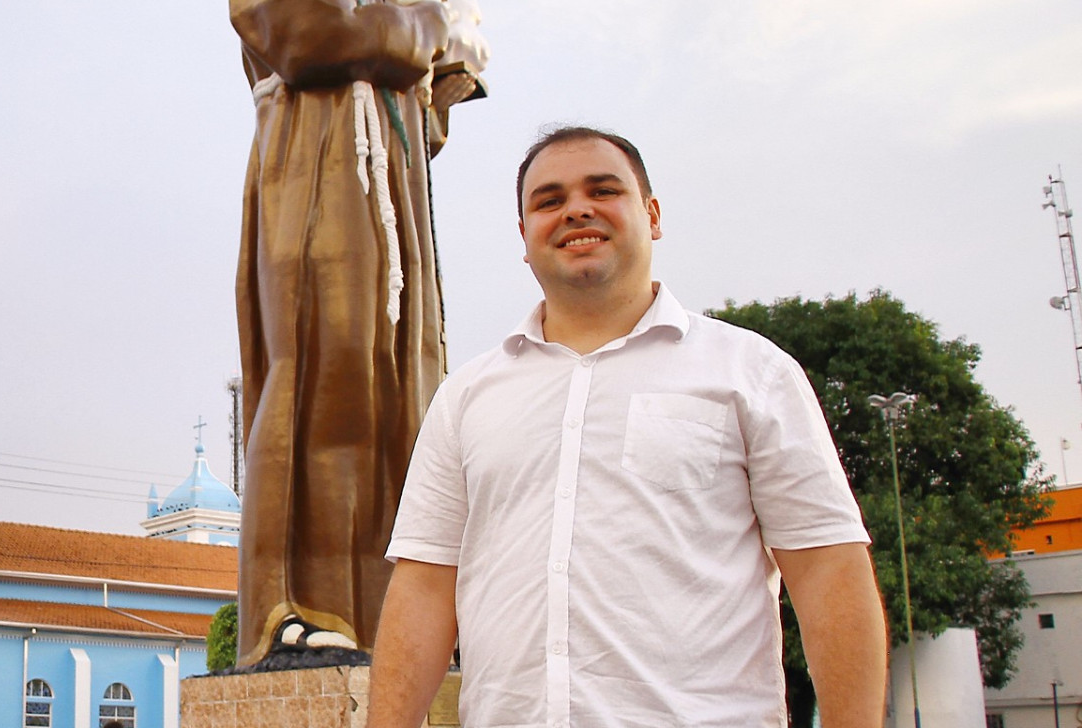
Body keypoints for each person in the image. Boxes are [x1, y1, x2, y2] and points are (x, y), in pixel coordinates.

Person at [368, 127, 889, 727]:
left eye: (603, 190)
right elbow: (424, 588)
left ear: (652, 214)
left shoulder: (752, 374)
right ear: (524, 236)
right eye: (548, 200)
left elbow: (828, 569)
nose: (576, 210)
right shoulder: (466, 397)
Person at [228, 0, 487, 665]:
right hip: (312, 159)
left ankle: (394, 617)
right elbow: (311, 34)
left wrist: (428, 61)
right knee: (319, 376)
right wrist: (425, 25)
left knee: (403, 390)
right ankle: (290, 608)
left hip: (392, 188)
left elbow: (439, 97)